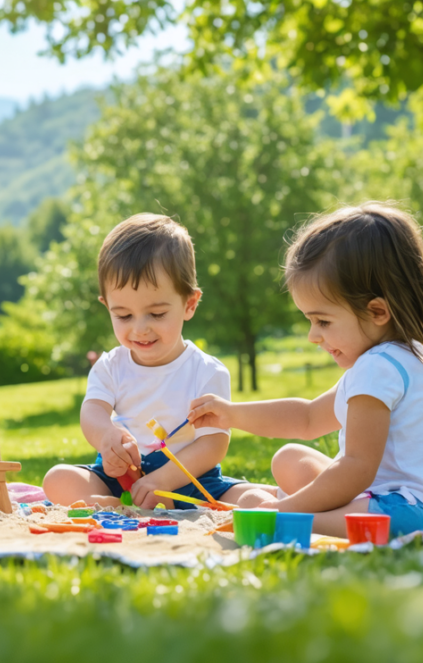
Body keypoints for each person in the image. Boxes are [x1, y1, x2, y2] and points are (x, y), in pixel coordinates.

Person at [189, 203, 423, 537]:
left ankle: (285, 518)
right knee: (289, 458)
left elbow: (357, 469)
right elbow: (307, 418)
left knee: (289, 511)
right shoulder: (400, 355)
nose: (313, 336)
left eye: (323, 321)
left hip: (411, 511)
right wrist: (231, 414)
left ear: (377, 312)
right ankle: (291, 512)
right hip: (410, 503)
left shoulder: (377, 369)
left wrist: (281, 510)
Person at [43, 213, 264, 508]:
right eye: (124, 315)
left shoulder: (206, 371)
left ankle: (137, 507)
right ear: (107, 307)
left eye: (157, 314)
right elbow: (93, 411)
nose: (140, 328)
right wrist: (106, 436)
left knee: (252, 500)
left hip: (189, 481)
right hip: (121, 479)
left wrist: (163, 481)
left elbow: (213, 443)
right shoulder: (110, 366)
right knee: (58, 479)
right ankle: (118, 506)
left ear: (189, 304)